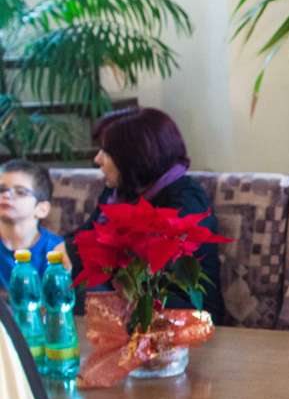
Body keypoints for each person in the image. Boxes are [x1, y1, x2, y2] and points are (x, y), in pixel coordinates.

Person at [64, 106, 224, 322]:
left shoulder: (186, 201)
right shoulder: (119, 191)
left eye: (106, 152)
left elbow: (144, 272)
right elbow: (83, 240)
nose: (97, 159)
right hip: (129, 306)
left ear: (134, 156)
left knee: (90, 293)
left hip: (185, 313)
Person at [0, 159, 63, 291]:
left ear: (42, 209)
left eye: (20, 192)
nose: (6, 195)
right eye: (1, 190)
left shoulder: (56, 249)